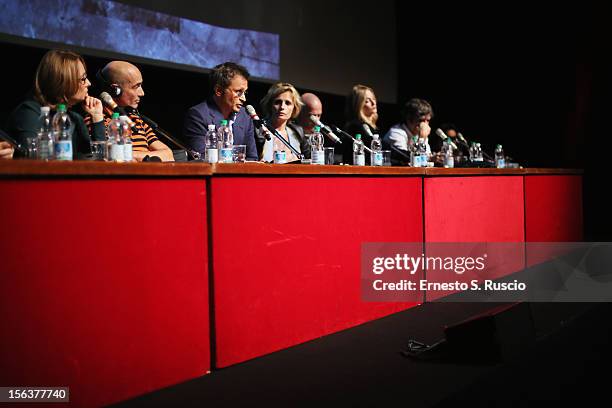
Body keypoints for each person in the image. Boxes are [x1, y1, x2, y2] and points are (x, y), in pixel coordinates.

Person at [5, 49, 105, 158]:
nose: (89, 83)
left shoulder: (75, 118)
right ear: (63, 81)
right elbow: (32, 161)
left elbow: (98, 161)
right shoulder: (30, 113)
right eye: (83, 79)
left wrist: (97, 117)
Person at [93, 61, 174, 161]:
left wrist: (128, 155)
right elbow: (107, 157)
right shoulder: (97, 122)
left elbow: (169, 155)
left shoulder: (136, 120)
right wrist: (148, 155)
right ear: (115, 90)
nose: (142, 93)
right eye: (136, 86)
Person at [183, 62, 258, 161]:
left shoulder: (245, 116)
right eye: (238, 92)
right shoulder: (197, 115)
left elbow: (252, 158)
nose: (243, 98)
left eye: (244, 92)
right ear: (219, 90)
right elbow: (201, 159)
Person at [258, 82, 309, 162]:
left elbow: (309, 161)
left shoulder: (297, 132)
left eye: (288, 103)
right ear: (270, 105)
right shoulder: (258, 131)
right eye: (278, 102)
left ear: (294, 108)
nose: (282, 107)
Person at [382, 98, 433, 166]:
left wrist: (433, 158)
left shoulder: (420, 133)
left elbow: (425, 158)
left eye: (428, 120)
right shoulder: (396, 132)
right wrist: (422, 139)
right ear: (409, 119)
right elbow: (405, 159)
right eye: (421, 120)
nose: (425, 125)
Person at [342, 84, 380, 164]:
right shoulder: (356, 127)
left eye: (373, 99)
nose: (374, 103)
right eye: (367, 101)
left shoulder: (371, 128)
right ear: (358, 105)